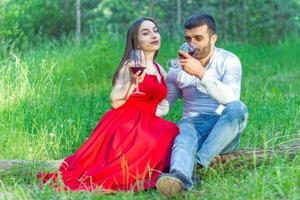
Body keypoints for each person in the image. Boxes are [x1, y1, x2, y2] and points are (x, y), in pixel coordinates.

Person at [37, 17, 179, 193]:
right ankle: (132, 175)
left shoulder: (159, 68)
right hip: (127, 120)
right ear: (136, 40)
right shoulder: (130, 65)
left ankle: (163, 174)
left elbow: (166, 100)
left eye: (155, 30)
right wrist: (133, 83)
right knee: (157, 134)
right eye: (145, 32)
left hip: (149, 119)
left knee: (172, 129)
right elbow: (114, 99)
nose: (153, 35)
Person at [156, 13, 248, 197]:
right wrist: (138, 96)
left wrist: (201, 74)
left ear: (213, 38)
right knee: (183, 134)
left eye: (198, 38)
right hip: (192, 124)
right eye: (188, 38)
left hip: (222, 130)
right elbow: (164, 106)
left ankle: (196, 166)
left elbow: (231, 100)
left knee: (239, 109)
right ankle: (180, 178)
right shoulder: (178, 69)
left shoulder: (229, 60)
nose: (192, 44)